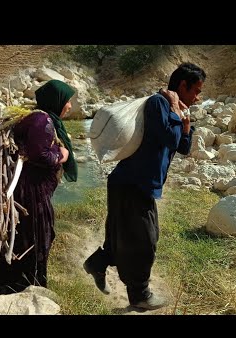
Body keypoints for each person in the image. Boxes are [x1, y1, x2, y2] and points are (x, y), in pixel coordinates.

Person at [83, 63, 206, 310]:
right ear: (182, 85)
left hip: (135, 185)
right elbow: (169, 138)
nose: (197, 97)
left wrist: (186, 123)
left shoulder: (176, 109)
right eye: (195, 90)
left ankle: (98, 262)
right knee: (143, 242)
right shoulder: (158, 104)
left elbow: (182, 147)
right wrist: (175, 111)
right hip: (130, 184)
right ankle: (140, 295)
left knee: (129, 235)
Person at [0, 79, 77, 295]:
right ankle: (21, 289)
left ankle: (6, 286)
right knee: (33, 236)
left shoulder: (41, 117)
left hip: (28, 189)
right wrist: (62, 154)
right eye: (68, 101)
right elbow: (39, 154)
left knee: (25, 235)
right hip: (30, 193)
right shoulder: (41, 120)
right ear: (57, 101)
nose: (69, 106)